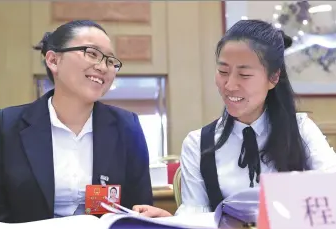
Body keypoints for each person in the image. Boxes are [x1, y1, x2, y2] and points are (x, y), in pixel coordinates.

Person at [133, 19, 336, 218]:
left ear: (273, 78)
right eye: (223, 71)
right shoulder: (198, 144)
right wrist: (171, 222)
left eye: (244, 75)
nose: (229, 85)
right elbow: (195, 213)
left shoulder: (301, 130)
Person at [0, 20, 153, 229]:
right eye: (92, 53)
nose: (103, 67)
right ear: (53, 60)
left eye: (110, 61)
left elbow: (139, 205)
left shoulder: (126, 127)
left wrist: (146, 215)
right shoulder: (8, 125)